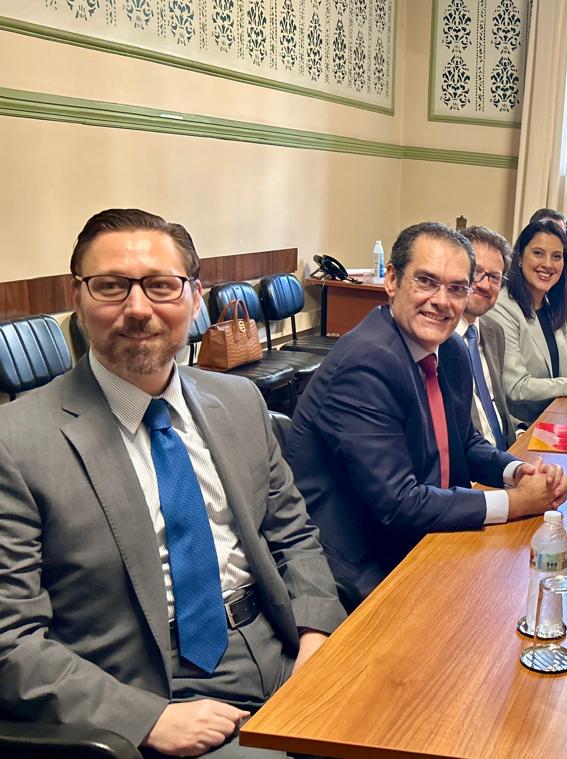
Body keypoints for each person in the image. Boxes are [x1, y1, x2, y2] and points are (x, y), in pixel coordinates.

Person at [0, 209, 346, 757]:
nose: (138, 308)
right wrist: (144, 719)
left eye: (161, 286)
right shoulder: (15, 443)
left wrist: (315, 635)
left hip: (281, 650)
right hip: (152, 690)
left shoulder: (239, 402)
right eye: (111, 286)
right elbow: (10, 639)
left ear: (194, 297)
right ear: (77, 297)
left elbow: (294, 536)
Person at [286, 222, 567, 608]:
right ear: (392, 280)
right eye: (426, 281)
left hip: (432, 538)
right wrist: (518, 503)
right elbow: (399, 503)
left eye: (456, 288)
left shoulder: (451, 351)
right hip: (361, 568)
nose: (441, 300)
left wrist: (518, 472)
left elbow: (464, 440)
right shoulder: (366, 362)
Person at [486, 219, 567, 426]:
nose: (547, 264)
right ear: (520, 257)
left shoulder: (550, 303)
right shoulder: (502, 308)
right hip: (523, 427)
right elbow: (517, 387)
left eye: (556, 256)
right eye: (538, 253)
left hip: (557, 414)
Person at [456, 225, 517, 447]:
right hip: (471, 461)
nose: (484, 284)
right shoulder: (437, 338)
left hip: (508, 453)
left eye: (494, 277)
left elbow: (495, 405)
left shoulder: (493, 331)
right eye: (476, 272)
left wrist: (520, 434)